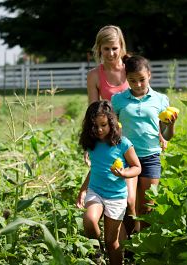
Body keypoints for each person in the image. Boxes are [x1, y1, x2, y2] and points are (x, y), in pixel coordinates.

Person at [111, 55, 178, 229]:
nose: (138, 84)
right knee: (128, 203)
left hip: (150, 156)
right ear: (127, 79)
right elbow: (112, 128)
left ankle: (145, 249)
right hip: (127, 157)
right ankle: (129, 245)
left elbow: (167, 135)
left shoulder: (161, 100)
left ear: (149, 74)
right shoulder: (118, 100)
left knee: (147, 207)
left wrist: (171, 126)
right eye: (132, 81)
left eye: (142, 79)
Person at [85, 25, 139, 236]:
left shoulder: (130, 67)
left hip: (133, 140)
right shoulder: (94, 75)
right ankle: (111, 245)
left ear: (122, 47)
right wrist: (89, 146)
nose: (111, 53)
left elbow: (146, 96)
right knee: (118, 198)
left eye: (115, 48)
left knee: (132, 201)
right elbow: (92, 112)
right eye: (106, 49)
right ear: (99, 49)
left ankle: (133, 244)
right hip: (108, 144)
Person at [76, 100, 141, 265]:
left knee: (112, 242)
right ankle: (97, 251)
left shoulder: (123, 144)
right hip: (96, 191)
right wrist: (83, 190)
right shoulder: (93, 144)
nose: (99, 130)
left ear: (111, 122)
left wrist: (125, 173)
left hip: (116, 196)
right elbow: (95, 170)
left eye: (103, 125)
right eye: (94, 126)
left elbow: (136, 167)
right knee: (90, 220)